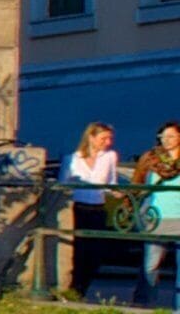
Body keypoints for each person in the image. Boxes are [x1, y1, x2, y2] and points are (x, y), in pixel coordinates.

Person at [69, 124, 126, 294]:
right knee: (77, 252)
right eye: (103, 138)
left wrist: (116, 193)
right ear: (91, 138)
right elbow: (63, 183)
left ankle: (82, 289)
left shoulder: (109, 157)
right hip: (77, 208)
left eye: (110, 139)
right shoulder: (73, 158)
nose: (107, 142)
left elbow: (111, 182)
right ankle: (73, 289)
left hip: (97, 208)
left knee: (95, 255)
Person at [132, 122, 180, 306]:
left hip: (179, 217)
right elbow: (137, 183)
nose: (166, 140)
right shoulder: (151, 159)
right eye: (162, 137)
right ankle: (146, 306)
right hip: (156, 218)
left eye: (170, 136)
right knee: (150, 267)